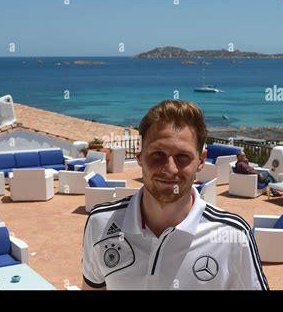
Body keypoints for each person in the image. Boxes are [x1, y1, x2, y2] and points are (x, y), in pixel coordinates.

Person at [82, 100, 269, 290]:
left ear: (201, 161)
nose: (170, 169)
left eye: (182, 156)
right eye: (157, 154)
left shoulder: (233, 235)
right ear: (140, 157)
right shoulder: (101, 223)